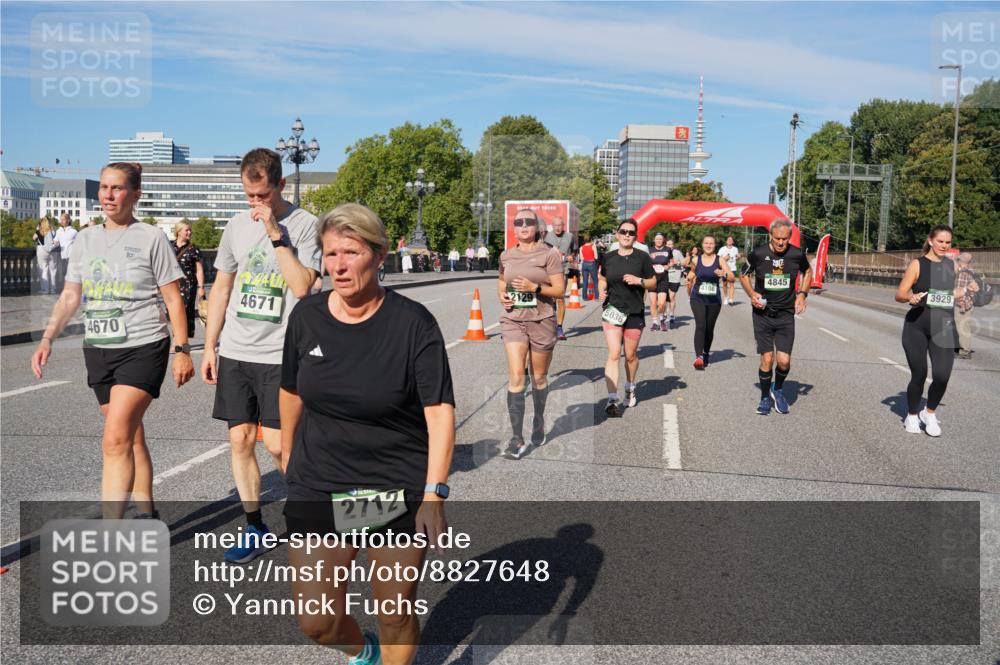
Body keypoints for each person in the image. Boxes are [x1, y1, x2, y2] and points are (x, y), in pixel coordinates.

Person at [280, 203, 455, 665]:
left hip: (389, 484)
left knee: (394, 612)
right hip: (319, 479)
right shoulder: (307, 318)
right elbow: (291, 390)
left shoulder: (413, 324)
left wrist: (433, 495)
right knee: (317, 622)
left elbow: (439, 413)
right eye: (330, 253)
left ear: (379, 256)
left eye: (351, 253)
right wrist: (285, 450)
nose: (337, 265)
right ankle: (365, 652)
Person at [31, 162, 194, 519]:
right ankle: (148, 514)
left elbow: (172, 299)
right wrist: (48, 338)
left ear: (135, 194)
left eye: (117, 188)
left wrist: (182, 350)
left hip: (144, 346)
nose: (108, 194)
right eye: (104, 187)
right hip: (100, 349)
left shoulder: (150, 238)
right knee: (130, 437)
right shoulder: (86, 238)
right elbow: (71, 296)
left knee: (114, 440)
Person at [200, 148, 320, 563]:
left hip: (281, 351)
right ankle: (255, 526)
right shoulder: (234, 226)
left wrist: (273, 230)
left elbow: (304, 286)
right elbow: (221, 288)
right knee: (240, 438)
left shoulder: (305, 226)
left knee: (278, 446)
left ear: (281, 186)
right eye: (249, 196)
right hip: (237, 348)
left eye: (262, 196)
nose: (254, 205)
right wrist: (209, 346)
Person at [498, 208, 565, 459]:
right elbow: (501, 282)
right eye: (519, 222)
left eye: (529, 222)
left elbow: (559, 290)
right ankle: (516, 438)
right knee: (516, 376)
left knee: (538, 377)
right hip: (513, 320)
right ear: (514, 228)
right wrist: (503, 298)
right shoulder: (506, 255)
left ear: (536, 227)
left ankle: (538, 419)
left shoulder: (550, 254)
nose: (524, 226)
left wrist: (535, 287)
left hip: (542, 320)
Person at [895, 225, 970, 436]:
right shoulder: (917, 264)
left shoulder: (952, 266)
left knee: (942, 375)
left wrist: (965, 293)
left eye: (948, 242)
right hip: (916, 325)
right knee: (920, 374)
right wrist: (910, 297)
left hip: (943, 326)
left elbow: (951, 292)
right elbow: (899, 293)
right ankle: (911, 415)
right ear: (930, 241)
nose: (944, 246)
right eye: (940, 241)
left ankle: (929, 412)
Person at [739, 218, 812, 415]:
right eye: (777, 238)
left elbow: (808, 271)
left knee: (784, 361)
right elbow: (743, 274)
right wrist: (751, 294)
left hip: (786, 314)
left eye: (785, 239)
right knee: (767, 358)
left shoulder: (796, 254)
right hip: (763, 313)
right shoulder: (759, 253)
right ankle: (764, 397)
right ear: (770, 235)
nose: (781, 242)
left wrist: (802, 295)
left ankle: (777, 388)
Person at [598, 219, 656, 417]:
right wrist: (601, 290)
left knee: (630, 355)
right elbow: (603, 278)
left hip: (634, 311)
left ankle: (630, 386)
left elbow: (653, 282)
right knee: (614, 354)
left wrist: (639, 280)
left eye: (631, 233)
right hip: (613, 310)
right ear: (617, 234)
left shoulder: (642, 257)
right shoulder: (608, 257)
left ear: (635, 236)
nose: (627, 235)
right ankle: (612, 399)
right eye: (623, 231)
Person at [686, 235, 735, 369]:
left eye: (711, 243)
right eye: (706, 243)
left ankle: (706, 352)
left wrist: (723, 274)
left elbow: (732, 277)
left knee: (709, 328)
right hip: (698, 298)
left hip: (714, 300)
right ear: (702, 244)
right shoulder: (696, 259)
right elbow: (692, 273)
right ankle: (698, 357)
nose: (708, 245)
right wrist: (688, 279)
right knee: (700, 325)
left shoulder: (720, 260)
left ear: (715, 245)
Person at [544, 215, 577, 340]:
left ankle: (559, 328)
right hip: (548, 271)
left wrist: (571, 256)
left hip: (563, 270)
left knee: (559, 298)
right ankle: (549, 324)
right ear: (552, 226)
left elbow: (574, 250)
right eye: (555, 225)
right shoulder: (546, 237)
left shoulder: (570, 236)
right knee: (549, 299)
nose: (558, 228)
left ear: (563, 226)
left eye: (560, 225)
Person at [172, 220, 205, 339]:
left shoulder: (193, 249)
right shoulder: (169, 246)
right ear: (179, 232)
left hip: (188, 285)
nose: (189, 232)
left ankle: (180, 339)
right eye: (187, 230)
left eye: (190, 230)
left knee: (185, 311)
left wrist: (201, 288)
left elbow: (199, 270)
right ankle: (178, 336)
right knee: (173, 311)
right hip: (172, 284)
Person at [953, 252, 980, 360]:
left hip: (962, 305)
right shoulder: (972, 271)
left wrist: (962, 305)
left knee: (962, 327)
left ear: (960, 261)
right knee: (964, 326)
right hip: (970, 304)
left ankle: (964, 351)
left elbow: (961, 291)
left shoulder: (962, 273)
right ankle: (961, 347)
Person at [648, 233, 672, 331]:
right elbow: (644, 262)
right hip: (652, 278)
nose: (658, 241)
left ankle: (661, 318)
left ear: (663, 240)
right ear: (654, 240)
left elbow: (671, 261)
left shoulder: (667, 249)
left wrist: (668, 266)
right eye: (657, 239)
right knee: (653, 303)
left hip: (663, 278)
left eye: (660, 239)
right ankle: (655, 322)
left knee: (661, 303)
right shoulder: (649, 250)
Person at [663, 238, 685, 328]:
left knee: (671, 297)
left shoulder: (677, 253)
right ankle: (664, 314)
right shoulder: (663, 252)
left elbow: (684, 262)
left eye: (671, 244)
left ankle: (671, 314)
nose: (670, 246)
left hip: (675, 277)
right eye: (668, 244)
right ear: (665, 245)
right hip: (664, 277)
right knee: (664, 297)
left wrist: (678, 262)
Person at [33, 218, 59, 295]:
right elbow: (56, 240)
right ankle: (53, 289)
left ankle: (45, 289)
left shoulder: (38, 231)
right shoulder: (53, 231)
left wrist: (37, 229)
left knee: (43, 269)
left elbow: (33, 238)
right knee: (53, 270)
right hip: (52, 250)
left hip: (42, 250)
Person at [53, 212, 78, 291]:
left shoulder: (74, 231)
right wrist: (54, 243)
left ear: (68, 220)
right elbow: (55, 242)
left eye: (63, 219)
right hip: (62, 256)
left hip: (72, 256)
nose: (62, 221)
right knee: (64, 273)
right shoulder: (58, 231)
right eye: (61, 220)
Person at [717, 235, 741, 306]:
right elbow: (718, 258)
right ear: (726, 241)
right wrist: (724, 258)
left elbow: (736, 258)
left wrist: (738, 257)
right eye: (728, 240)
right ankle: (725, 297)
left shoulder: (735, 249)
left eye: (731, 240)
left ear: (733, 242)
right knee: (724, 284)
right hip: (724, 269)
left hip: (732, 268)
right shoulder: (722, 249)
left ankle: (731, 299)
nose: (730, 241)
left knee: (731, 283)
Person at [579, 235, 599, 301]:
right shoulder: (593, 246)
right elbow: (596, 257)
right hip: (592, 264)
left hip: (584, 264)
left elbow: (581, 258)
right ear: (590, 240)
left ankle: (585, 297)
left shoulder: (581, 247)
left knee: (585, 281)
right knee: (595, 281)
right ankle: (596, 297)